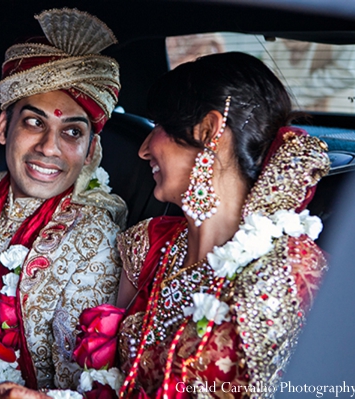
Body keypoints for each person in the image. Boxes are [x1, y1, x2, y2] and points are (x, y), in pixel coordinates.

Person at [113, 52, 330, 398]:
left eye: (158, 127)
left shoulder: (290, 272)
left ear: (209, 130)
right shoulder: (148, 246)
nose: (143, 149)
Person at [0, 8, 127, 392]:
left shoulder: (93, 239)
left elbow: (83, 388)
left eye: (71, 132)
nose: (49, 147)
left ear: (90, 148)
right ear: (4, 127)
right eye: (34, 123)